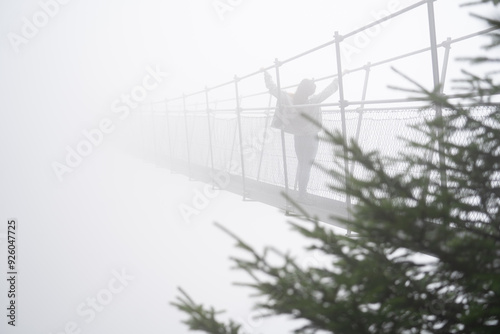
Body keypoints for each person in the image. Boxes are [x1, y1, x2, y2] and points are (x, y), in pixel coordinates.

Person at [264, 71, 339, 202]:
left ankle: (301, 192)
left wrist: (267, 75)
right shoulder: (314, 100)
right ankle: (302, 194)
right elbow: (328, 91)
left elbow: (273, 88)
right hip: (311, 137)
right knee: (306, 166)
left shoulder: (289, 98)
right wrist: (337, 79)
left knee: (301, 163)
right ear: (310, 92)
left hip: (298, 137)